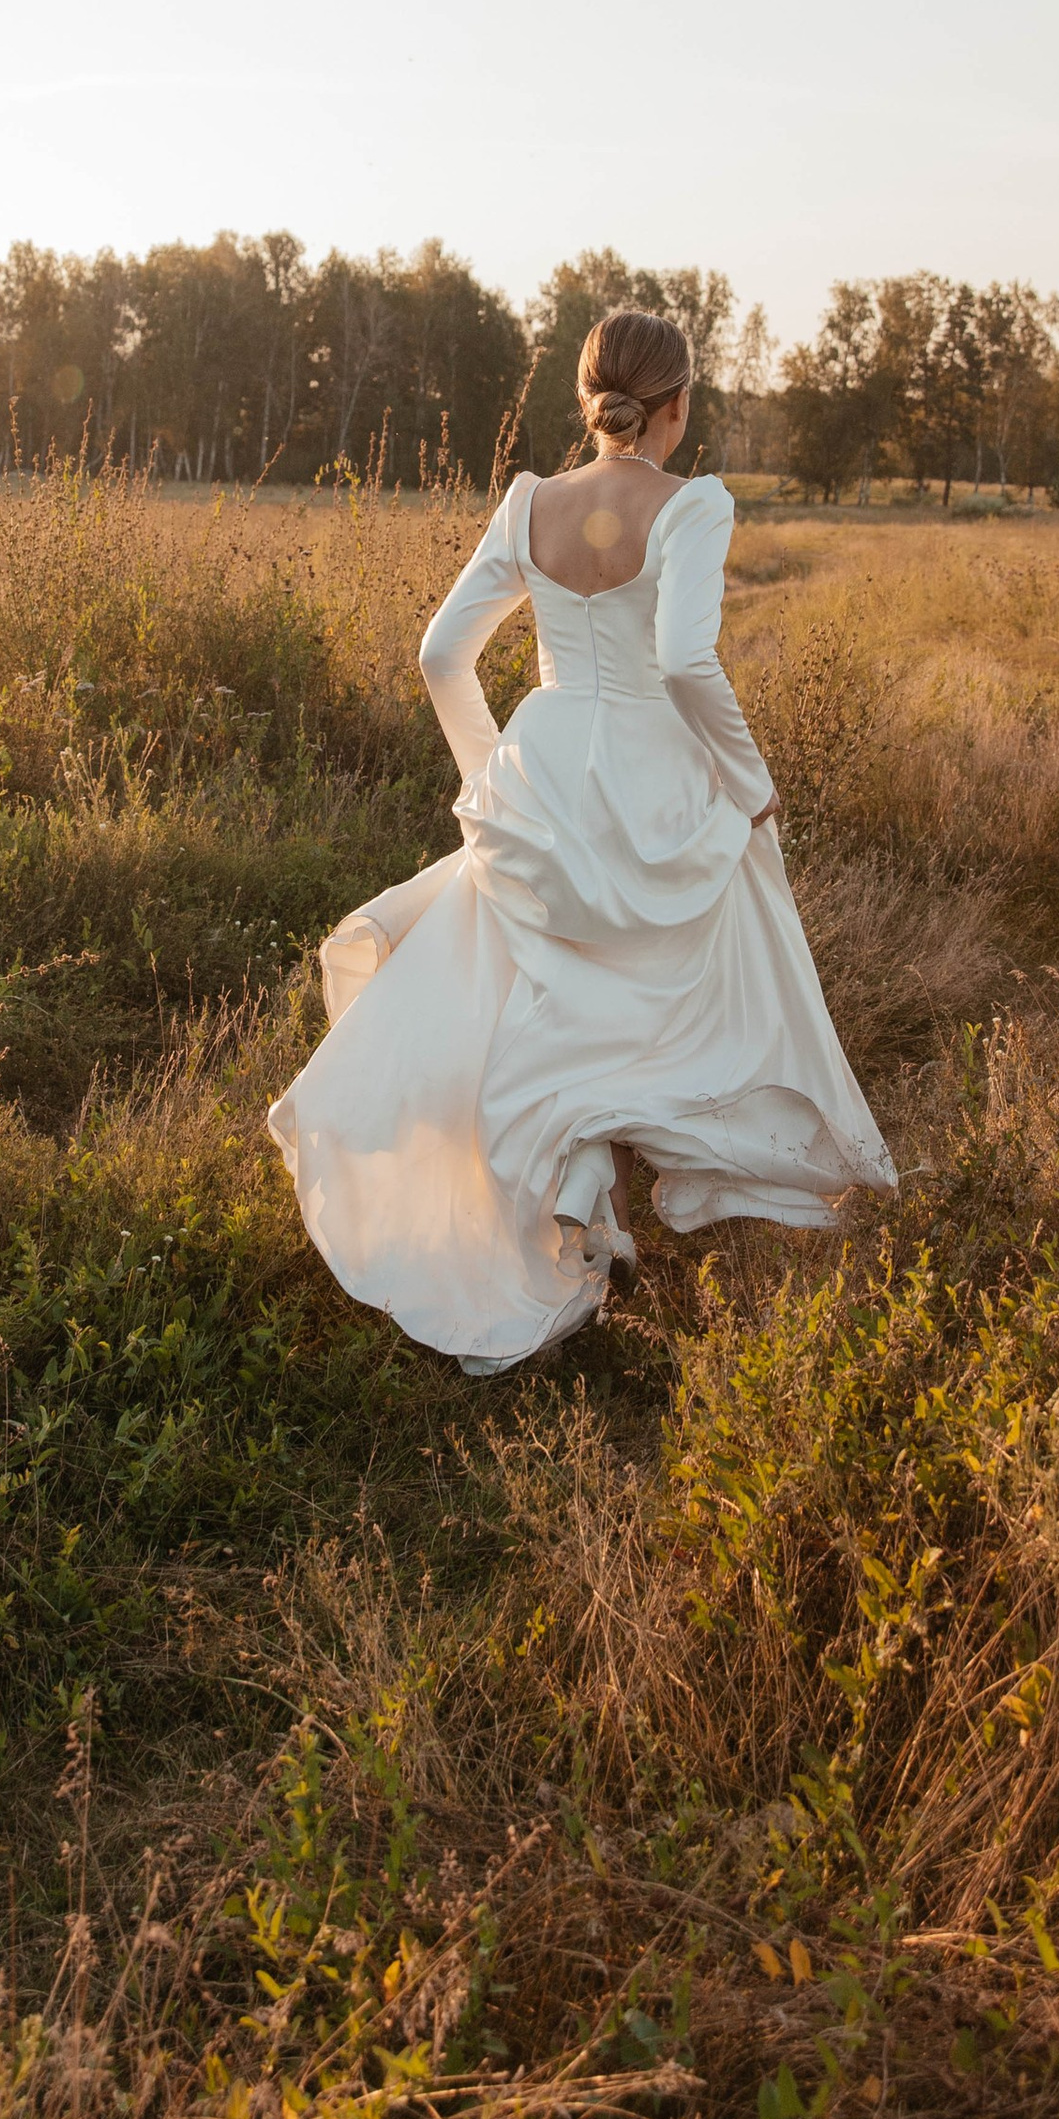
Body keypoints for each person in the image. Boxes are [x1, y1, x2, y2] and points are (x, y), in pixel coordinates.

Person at [267, 310, 895, 1373]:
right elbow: (687, 660)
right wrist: (750, 784)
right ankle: (656, 1179)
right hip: (656, 766)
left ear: (588, 399)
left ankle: (571, 1202)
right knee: (699, 982)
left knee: (544, 995)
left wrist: (493, 788)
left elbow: (438, 656)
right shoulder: (694, 505)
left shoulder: (530, 504)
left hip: (545, 757)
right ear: (679, 407)